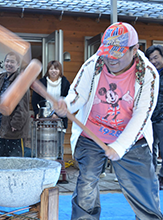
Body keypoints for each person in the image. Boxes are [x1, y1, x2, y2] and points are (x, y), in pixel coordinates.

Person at [55, 22, 163, 219]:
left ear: (135, 49)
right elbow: (78, 94)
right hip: (92, 133)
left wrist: (120, 146)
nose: (111, 59)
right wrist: (67, 105)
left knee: (143, 188)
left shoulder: (148, 74)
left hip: (132, 138)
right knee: (87, 183)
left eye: (118, 54)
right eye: (107, 53)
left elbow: (142, 115)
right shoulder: (94, 63)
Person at [0, 52, 30, 157]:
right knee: (0, 158)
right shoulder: (2, 79)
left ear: (18, 65)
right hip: (0, 125)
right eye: (7, 61)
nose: (9, 64)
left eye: (12, 62)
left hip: (13, 128)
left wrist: (16, 124)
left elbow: (23, 107)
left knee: (14, 159)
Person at [31, 60, 70, 159]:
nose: (54, 71)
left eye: (56, 69)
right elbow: (35, 99)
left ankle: (58, 165)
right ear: (48, 70)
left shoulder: (65, 83)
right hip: (44, 118)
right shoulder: (41, 82)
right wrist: (37, 112)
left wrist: (58, 114)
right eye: (51, 69)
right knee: (42, 144)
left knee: (59, 144)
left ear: (60, 70)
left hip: (59, 118)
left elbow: (68, 100)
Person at [145, 45, 163, 189]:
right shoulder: (150, 75)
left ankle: (162, 178)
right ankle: (150, 178)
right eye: (150, 59)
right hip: (150, 118)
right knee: (150, 149)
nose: (153, 61)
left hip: (162, 119)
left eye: (156, 57)